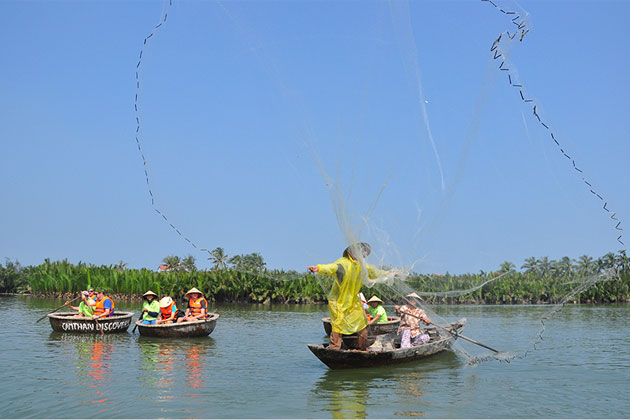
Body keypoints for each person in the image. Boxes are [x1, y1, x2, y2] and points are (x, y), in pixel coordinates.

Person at [308, 242, 384, 351]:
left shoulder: (362, 266)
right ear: (350, 252)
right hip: (338, 301)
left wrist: (390, 274)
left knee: (362, 323)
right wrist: (319, 268)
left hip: (353, 302)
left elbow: (376, 273)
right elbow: (332, 268)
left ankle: (362, 347)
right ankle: (335, 348)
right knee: (337, 324)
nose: (362, 254)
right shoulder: (343, 263)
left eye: (363, 252)